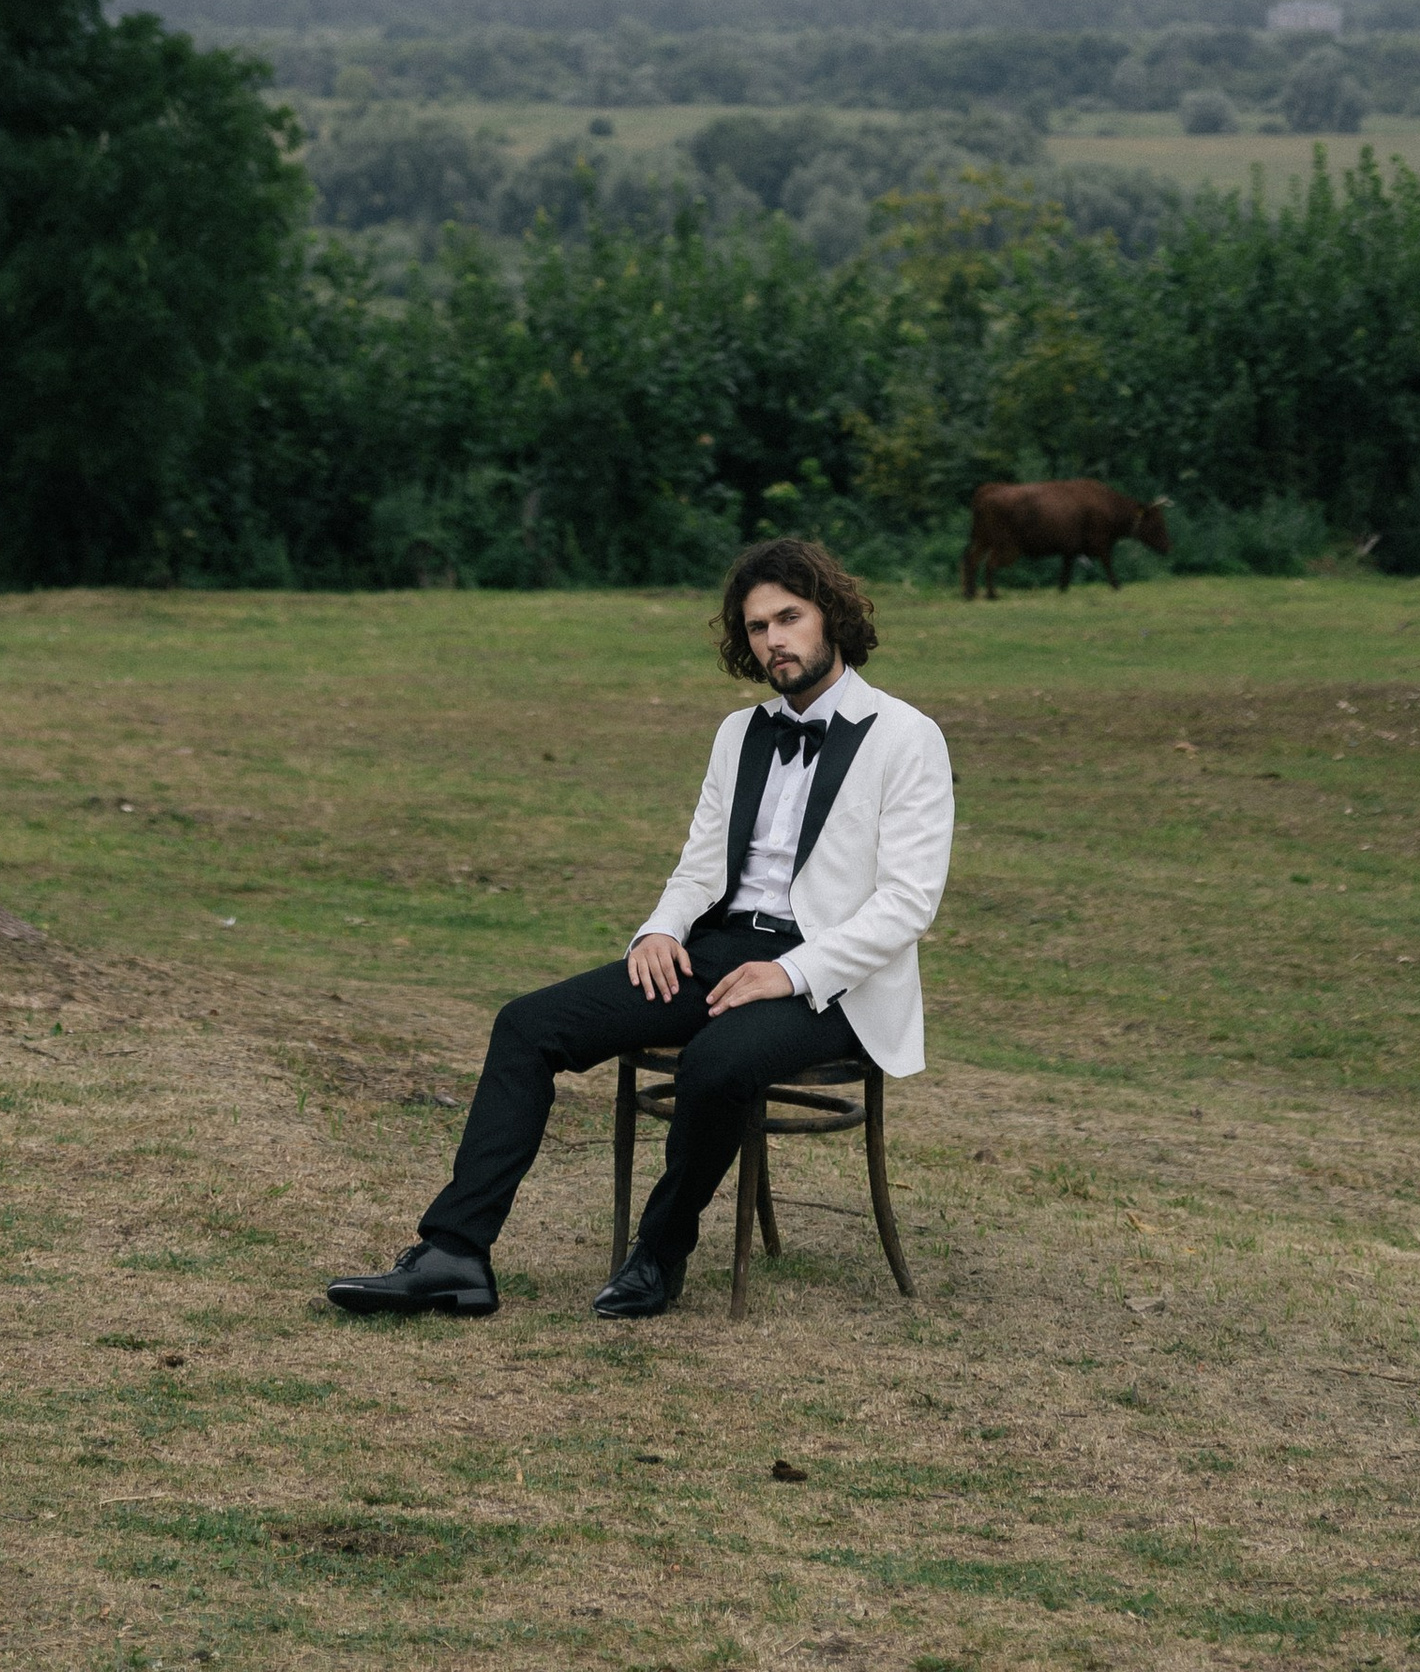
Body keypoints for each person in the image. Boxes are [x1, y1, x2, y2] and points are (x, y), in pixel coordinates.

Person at [325, 534, 955, 1323]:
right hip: (720, 948)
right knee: (527, 1025)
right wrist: (659, 929)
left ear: (830, 614)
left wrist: (788, 972)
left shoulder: (906, 735)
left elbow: (906, 903)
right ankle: (454, 1254)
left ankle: (660, 1254)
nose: (774, 640)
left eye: (789, 617)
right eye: (757, 626)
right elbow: (699, 866)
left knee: (719, 1061)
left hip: (833, 981)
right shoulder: (740, 733)